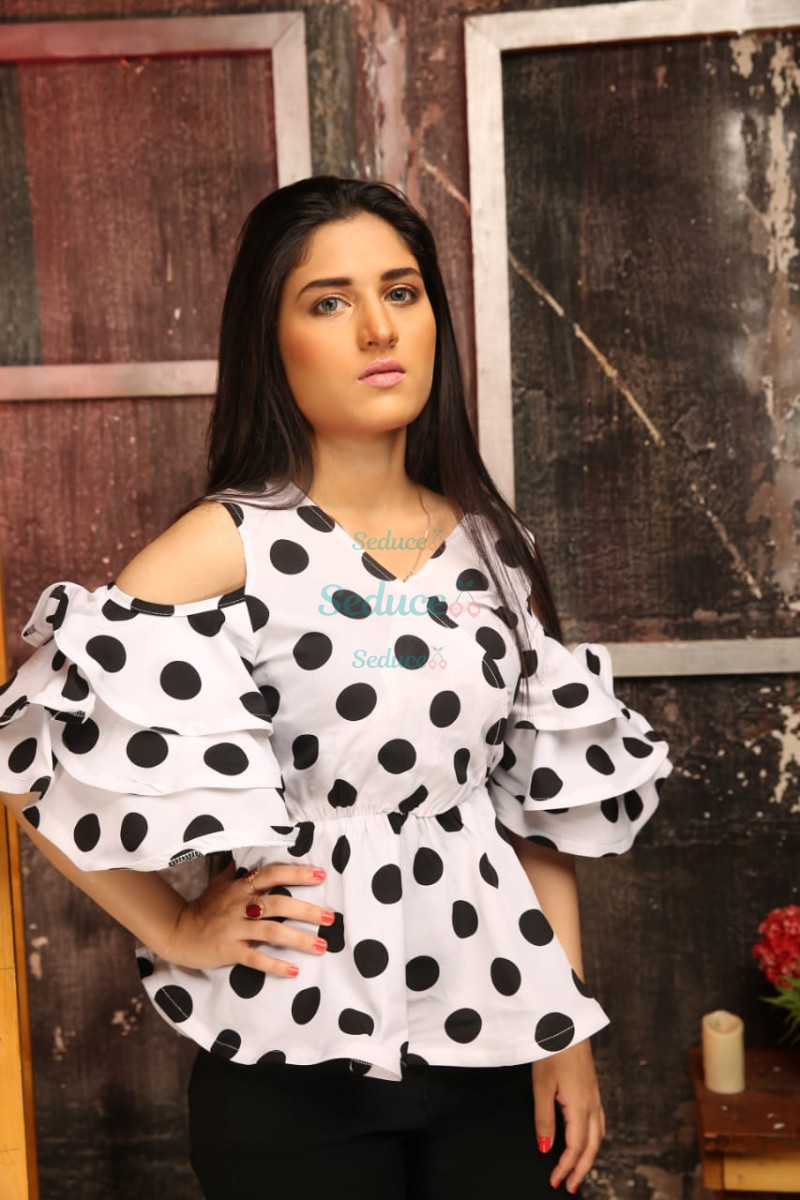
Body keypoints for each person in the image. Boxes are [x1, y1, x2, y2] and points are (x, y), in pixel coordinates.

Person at [0, 176, 671, 1198]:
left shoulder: (498, 550)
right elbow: (30, 758)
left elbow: (537, 817)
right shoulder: (222, 544)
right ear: (270, 342)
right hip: (288, 1069)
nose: (376, 328)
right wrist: (176, 926)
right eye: (328, 301)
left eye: (400, 292)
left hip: (493, 1051)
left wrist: (564, 1031)